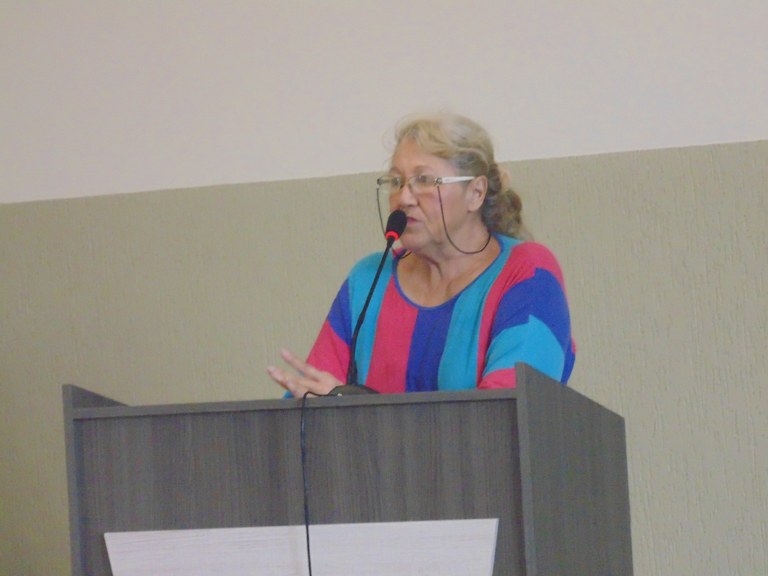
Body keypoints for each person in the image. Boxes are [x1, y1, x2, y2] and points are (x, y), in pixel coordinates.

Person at [267, 112, 575, 397]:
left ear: (475, 193)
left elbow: (502, 416)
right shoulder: (368, 280)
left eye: (424, 180)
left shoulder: (527, 273)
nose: (403, 198)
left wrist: (351, 404)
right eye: (396, 181)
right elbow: (312, 400)